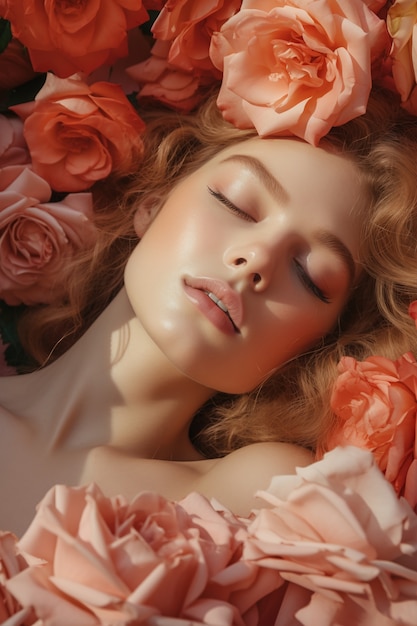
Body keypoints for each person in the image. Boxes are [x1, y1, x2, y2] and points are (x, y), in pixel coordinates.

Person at [1, 87, 417, 536]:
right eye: (235, 204)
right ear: (152, 202)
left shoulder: (256, 495)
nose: (256, 260)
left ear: (324, 342)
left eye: (310, 275)